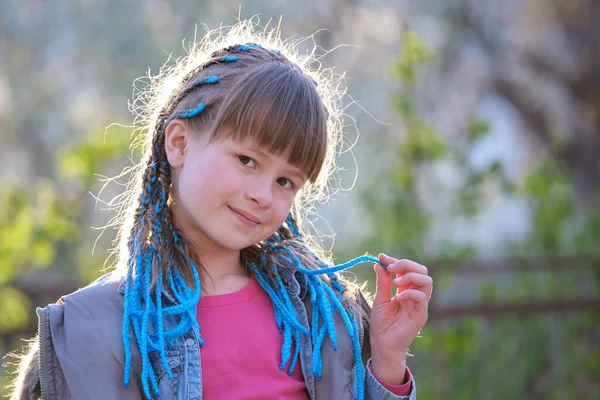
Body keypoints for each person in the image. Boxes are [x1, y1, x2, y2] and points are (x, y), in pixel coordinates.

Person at [9, 20, 432, 400]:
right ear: (179, 143)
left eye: (286, 181)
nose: (264, 195)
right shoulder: (91, 331)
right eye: (247, 160)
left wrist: (388, 360)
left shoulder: (325, 317)